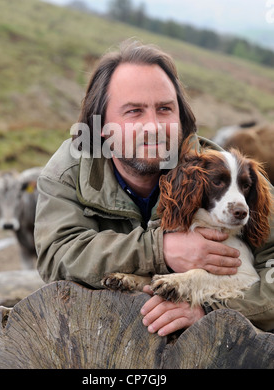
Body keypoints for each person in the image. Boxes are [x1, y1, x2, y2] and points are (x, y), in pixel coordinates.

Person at [34, 40, 274, 336]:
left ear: (181, 119)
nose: (153, 126)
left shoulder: (220, 169)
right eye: (134, 111)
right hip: (100, 335)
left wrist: (210, 311)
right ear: (102, 126)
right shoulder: (67, 173)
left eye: (164, 109)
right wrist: (160, 250)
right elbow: (57, 256)